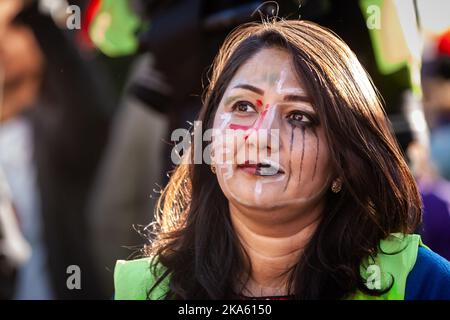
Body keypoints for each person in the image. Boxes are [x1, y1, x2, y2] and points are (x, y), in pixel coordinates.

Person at [114, 19, 450, 300]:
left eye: (300, 117)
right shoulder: (143, 290)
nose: (262, 135)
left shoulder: (419, 284)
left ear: (343, 165)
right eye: (243, 106)